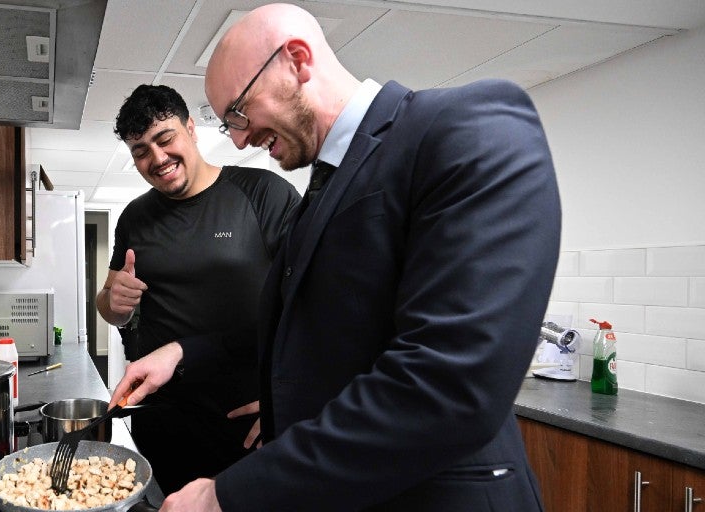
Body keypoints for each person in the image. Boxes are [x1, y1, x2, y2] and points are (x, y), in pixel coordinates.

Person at [111, 4, 561, 511]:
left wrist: (229, 493)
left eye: (239, 111)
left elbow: (447, 383)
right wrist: (181, 354)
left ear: (297, 60)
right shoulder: (317, 199)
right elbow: (300, 332)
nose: (238, 138)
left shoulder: (467, 126)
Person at [97, 84, 301, 495]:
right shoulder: (135, 217)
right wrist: (111, 303)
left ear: (191, 128)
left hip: (246, 420)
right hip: (161, 420)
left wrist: (293, 394)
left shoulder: (264, 195)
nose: (156, 158)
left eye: (165, 138)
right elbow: (110, 302)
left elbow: (315, 306)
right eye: (140, 151)